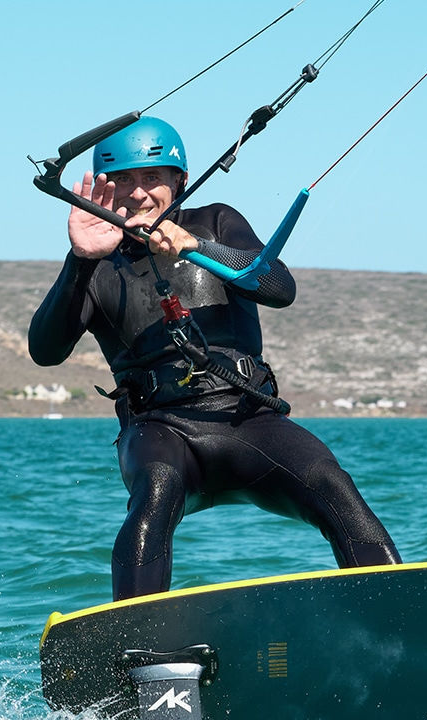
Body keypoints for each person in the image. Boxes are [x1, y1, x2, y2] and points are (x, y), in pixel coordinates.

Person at [29, 116, 400, 600]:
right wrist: (79, 258)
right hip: (162, 430)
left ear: (179, 181)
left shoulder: (215, 222)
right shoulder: (97, 263)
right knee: (155, 494)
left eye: (152, 178)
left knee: (330, 482)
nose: (138, 193)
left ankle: (396, 616)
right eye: (122, 181)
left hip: (249, 419)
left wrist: (198, 248)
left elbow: (279, 287)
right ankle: (138, 647)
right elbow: (45, 351)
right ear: (104, 191)